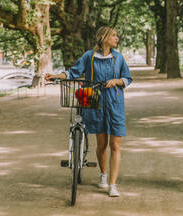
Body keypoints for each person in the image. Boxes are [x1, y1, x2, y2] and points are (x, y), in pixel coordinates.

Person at [45, 26, 132, 197]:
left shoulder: (118, 58)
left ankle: (112, 185)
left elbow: (127, 78)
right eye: (113, 35)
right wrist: (56, 76)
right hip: (95, 103)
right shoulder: (89, 57)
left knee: (115, 145)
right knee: (101, 145)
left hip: (115, 104)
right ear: (103, 37)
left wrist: (116, 81)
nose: (116, 38)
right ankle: (103, 175)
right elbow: (73, 72)